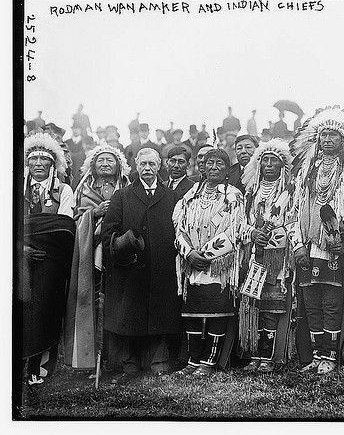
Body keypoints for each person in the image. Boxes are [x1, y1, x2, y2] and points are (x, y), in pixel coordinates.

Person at [288, 106, 344, 375]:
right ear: (317, 140)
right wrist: (298, 244)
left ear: (343, 141)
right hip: (310, 245)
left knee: (332, 302)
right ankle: (316, 355)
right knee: (311, 303)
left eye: (333, 135)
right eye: (324, 135)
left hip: (335, 246)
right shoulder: (307, 170)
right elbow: (295, 211)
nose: (328, 140)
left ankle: (330, 356)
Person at [101, 148, 182, 382]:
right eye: (143, 164)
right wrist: (120, 248)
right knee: (131, 314)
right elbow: (109, 232)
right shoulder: (122, 196)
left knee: (161, 313)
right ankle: (131, 363)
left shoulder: (171, 197)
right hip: (130, 267)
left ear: (159, 167)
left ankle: (160, 361)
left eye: (152, 164)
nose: (147, 169)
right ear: (136, 166)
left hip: (162, 267)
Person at [172, 149, 244, 376]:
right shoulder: (191, 194)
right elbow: (178, 227)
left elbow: (235, 229)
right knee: (192, 313)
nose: (213, 167)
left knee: (215, 314)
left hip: (218, 266)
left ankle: (209, 362)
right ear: (202, 167)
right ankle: (193, 360)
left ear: (226, 169)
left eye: (219, 163)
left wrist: (207, 255)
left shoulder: (233, 195)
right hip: (192, 264)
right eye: (209, 163)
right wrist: (189, 253)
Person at [64, 145, 130, 371]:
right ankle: (92, 359)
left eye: (110, 160)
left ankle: (117, 358)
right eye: (100, 160)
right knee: (92, 300)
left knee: (118, 300)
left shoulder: (127, 186)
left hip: (118, 251)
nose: (105, 164)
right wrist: (95, 213)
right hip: (91, 251)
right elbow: (75, 219)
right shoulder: (83, 188)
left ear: (118, 165)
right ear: (93, 164)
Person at [22, 133, 76, 386]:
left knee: (46, 309)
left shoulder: (63, 191)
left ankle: (39, 367)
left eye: (45, 160)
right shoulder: (15, 190)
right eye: (34, 160)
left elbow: (63, 227)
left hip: (51, 260)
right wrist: (20, 248)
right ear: (27, 164)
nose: (39, 164)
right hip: (19, 258)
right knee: (18, 309)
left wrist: (31, 232)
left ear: (54, 165)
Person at [239, 139, 295, 373]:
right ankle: (254, 356)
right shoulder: (250, 193)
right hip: (255, 256)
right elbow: (240, 222)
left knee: (272, 308)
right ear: (258, 165)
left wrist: (271, 238)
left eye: (275, 161)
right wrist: (252, 233)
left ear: (283, 166)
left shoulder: (290, 193)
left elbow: (292, 222)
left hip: (278, 260)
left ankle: (269, 358)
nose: (269, 165)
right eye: (265, 161)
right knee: (255, 306)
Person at [65, 122, 96, 189]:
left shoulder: (84, 141)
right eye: (74, 129)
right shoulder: (67, 142)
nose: (75, 130)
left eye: (77, 129)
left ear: (81, 130)